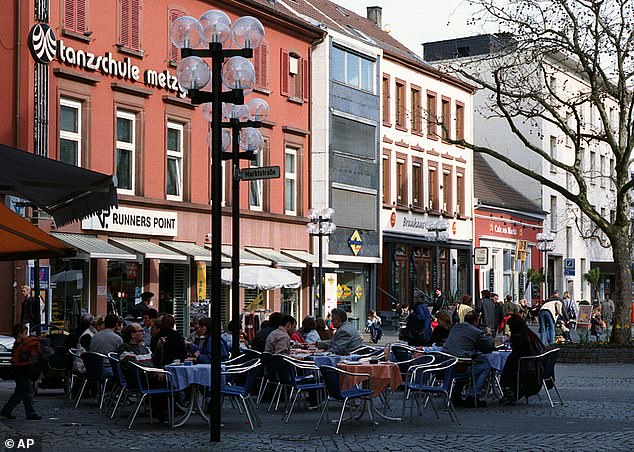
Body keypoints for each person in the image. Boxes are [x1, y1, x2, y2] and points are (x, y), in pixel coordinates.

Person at [442, 310, 495, 408]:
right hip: (460, 366)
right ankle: (473, 395)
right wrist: (488, 334)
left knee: (468, 363)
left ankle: (456, 393)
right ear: (475, 321)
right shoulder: (476, 332)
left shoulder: (455, 327)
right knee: (485, 366)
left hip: (446, 364)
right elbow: (488, 347)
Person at [498, 315, 545, 405]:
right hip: (535, 365)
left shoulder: (518, 337)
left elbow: (516, 354)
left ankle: (511, 394)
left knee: (507, 371)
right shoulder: (530, 334)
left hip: (527, 367)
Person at [0, 324, 42, 420]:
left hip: (19, 370)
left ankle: (6, 410)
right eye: (25, 333)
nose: (27, 335)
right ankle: (30, 412)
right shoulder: (22, 344)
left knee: (19, 393)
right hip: (22, 370)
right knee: (27, 392)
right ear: (20, 334)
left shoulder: (18, 344)